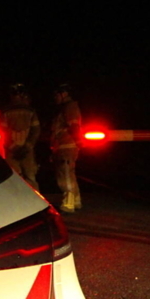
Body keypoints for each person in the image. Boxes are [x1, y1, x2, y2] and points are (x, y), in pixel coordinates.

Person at [0, 83, 41, 190]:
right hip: (27, 150)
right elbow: (36, 130)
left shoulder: (6, 111)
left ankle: (18, 203)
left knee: (15, 179)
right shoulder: (30, 111)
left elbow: (2, 132)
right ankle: (36, 203)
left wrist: (13, 147)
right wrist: (28, 146)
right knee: (30, 177)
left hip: (12, 151)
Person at [50, 82, 82, 213]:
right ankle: (76, 200)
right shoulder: (66, 108)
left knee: (65, 176)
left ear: (64, 94)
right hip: (63, 146)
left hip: (66, 146)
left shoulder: (69, 107)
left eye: (57, 94)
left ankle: (68, 204)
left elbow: (74, 126)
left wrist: (79, 142)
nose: (55, 98)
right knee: (69, 174)